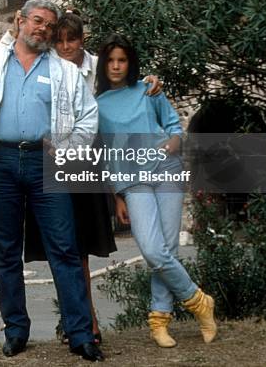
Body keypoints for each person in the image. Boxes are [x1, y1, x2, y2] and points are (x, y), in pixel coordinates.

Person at [0, 0, 104, 362]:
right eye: (37, 21)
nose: (44, 30)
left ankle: (81, 334)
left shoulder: (65, 71)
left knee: (64, 248)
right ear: (19, 21)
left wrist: (66, 147)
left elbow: (88, 117)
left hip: (45, 160)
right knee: (6, 250)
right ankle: (16, 331)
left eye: (50, 26)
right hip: (1, 158)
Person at [21, 12, 162, 343]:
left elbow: (127, 85)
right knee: (63, 248)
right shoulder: (44, 67)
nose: (65, 45)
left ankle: (82, 320)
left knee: (80, 247)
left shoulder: (99, 68)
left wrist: (151, 82)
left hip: (88, 162)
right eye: (59, 40)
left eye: (72, 39)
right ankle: (81, 320)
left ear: (82, 39)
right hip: (54, 163)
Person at [95, 34, 217, 348]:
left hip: (166, 170)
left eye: (122, 60)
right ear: (103, 64)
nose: (116, 66)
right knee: (152, 250)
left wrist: (175, 141)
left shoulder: (149, 89)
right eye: (110, 60)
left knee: (168, 248)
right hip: (133, 182)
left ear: (130, 62)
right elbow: (107, 154)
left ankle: (159, 319)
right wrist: (117, 196)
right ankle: (199, 301)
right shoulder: (97, 105)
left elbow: (173, 125)